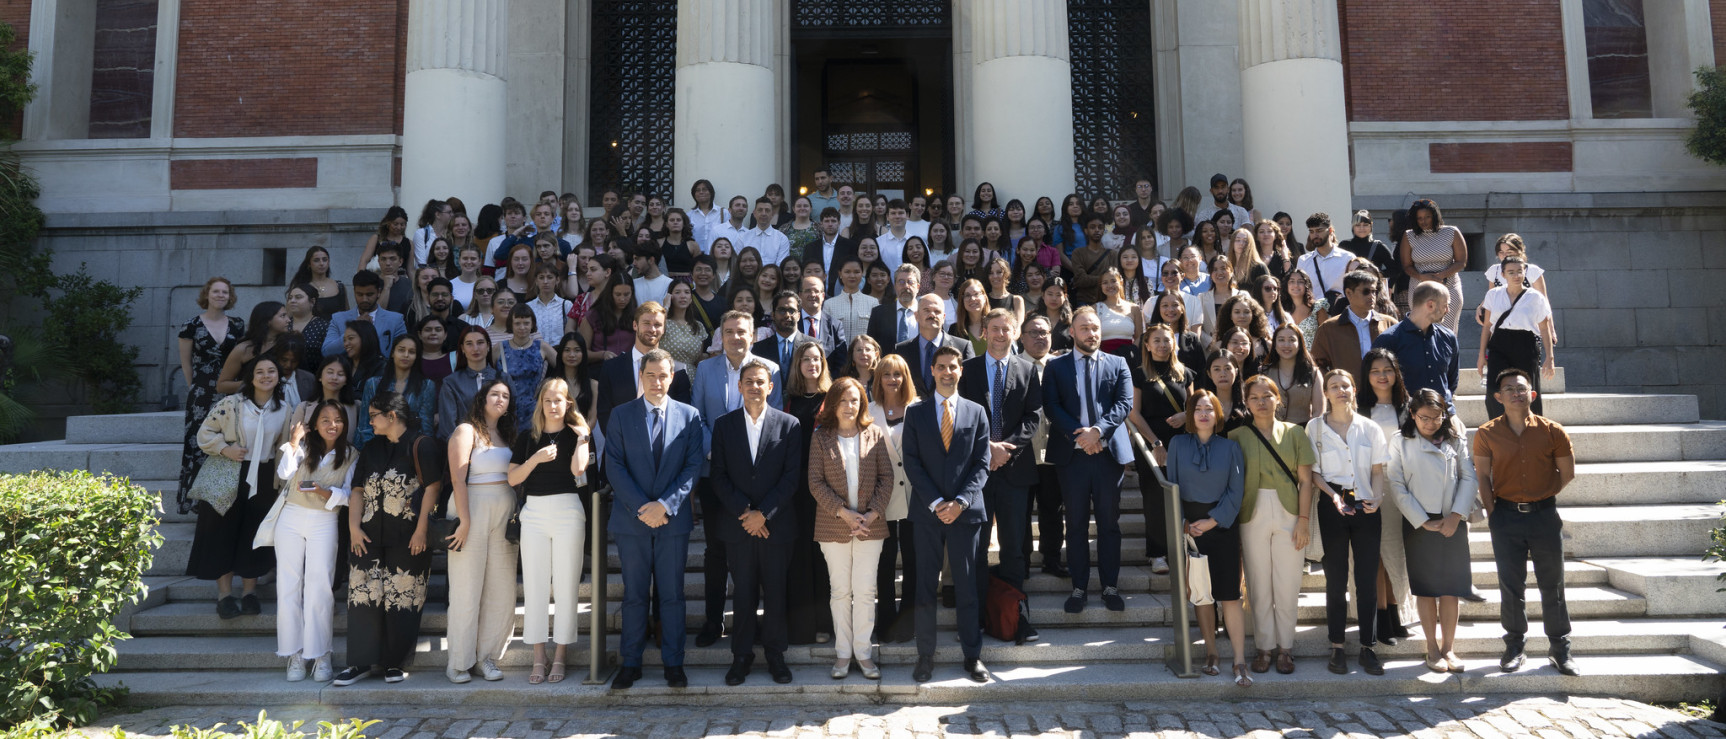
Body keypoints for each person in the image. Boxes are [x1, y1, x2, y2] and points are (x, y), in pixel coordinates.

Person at [604, 349, 706, 690]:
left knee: (673, 594)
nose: (657, 382)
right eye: (651, 376)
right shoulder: (620, 415)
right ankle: (629, 663)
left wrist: (664, 505)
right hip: (631, 521)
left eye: (664, 376)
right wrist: (642, 508)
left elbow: (693, 467)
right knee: (634, 595)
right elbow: (614, 466)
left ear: (672, 377)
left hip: (672, 520)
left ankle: (673, 663)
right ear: (641, 377)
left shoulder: (690, 416)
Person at [332, 391, 442, 686]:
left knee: (404, 598)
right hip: (366, 535)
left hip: (409, 536)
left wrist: (422, 530)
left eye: (374, 416)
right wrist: (354, 527)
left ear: (391, 416)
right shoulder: (370, 448)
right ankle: (360, 663)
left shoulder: (422, 445)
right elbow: (357, 490)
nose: (370, 422)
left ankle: (396, 662)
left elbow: (432, 488)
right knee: (362, 597)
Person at [1473, 369, 1578, 676]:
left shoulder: (1552, 431)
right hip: (1505, 517)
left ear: (1533, 394)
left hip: (1544, 517)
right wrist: (1494, 513)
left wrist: (1541, 496)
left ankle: (1560, 649)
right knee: (1511, 585)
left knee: (1553, 585)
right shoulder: (1487, 433)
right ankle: (1514, 646)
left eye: (1521, 388)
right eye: (1509, 389)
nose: (1516, 393)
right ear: (1498, 397)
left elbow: (1567, 474)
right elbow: (1482, 476)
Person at [708, 355, 803, 685]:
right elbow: (718, 476)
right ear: (739, 386)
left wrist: (764, 514)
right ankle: (742, 656)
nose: (754, 387)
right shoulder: (724, 425)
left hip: (776, 526)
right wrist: (745, 513)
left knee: (776, 592)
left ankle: (775, 654)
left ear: (770, 386)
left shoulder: (789, 425)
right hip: (738, 526)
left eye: (760, 381)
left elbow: (792, 477)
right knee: (744, 593)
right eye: (748, 382)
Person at [901, 345, 992, 684]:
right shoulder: (917, 413)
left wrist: (960, 503)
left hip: (966, 515)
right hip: (927, 514)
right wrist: (937, 501)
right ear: (933, 371)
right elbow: (912, 461)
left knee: (967, 586)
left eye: (953, 366)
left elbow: (982, 464)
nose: (948, 372)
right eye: (941, 367)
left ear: (960, 370)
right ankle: (925, 656)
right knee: (925, 587)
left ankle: (972, 656)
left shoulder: (976, 412)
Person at [691, 311, 781, 647]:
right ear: (721, 336)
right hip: (717, 476)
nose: (735, 337)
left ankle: (755, 625)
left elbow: (777, 420)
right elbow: (697, 418)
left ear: (753, 335)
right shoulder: (705, 369)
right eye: (728, 331)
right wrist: (715, 453)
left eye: (741, 332)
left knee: (758, 553)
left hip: (759, 480)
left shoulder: (769, 370)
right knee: (716, 551)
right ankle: (713, 622)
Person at [958, 308, 1044, 643]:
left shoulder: (1026, 370)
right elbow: (962, 416)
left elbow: (1033, 417)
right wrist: (987, 450)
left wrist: (1005, 448)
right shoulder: (968, 371)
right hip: (977, 474)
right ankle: (979, 617)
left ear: (1014, 332)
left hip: (1015, 470)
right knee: (977, 549)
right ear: (983, 332)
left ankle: (1015, 616)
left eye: (1005, 329)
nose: (999, 334)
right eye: (993, 329)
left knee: (1013, 549)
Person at [1043, 307, 1134, 614]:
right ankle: (1079, 588)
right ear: (1072, 332)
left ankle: (1110, 587)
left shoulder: (1118, 363)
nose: (1091, 333)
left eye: (1095, 328)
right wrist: (1080, 435)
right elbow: (1052, 407)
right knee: (1077, 524)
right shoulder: (1055, 367)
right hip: (1073, 457)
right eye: (1084, 328)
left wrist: (1097, 431)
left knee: (1109, 524)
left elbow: (1124, 404)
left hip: (1108, 456)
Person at [192, 355, 294, 618]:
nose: (265, 376)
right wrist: (226, 449)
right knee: (222, 531)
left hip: (263, 475)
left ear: (278, 377)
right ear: (250, 377)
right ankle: (224, 596)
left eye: (271, 371)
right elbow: (204, 434)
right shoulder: (232, 404)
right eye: (259, 371)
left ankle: (250, 592)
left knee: (256, 533)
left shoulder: (284, 409)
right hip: (229, 471)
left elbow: (283, 447)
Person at [807, 377, 895, 679]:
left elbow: (887, 477)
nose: (849, 406)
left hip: (871, 526)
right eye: (843, 400)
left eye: (854, 400)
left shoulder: (875, 434)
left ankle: (864, 653)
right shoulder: (821, 437)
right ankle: (843, 654)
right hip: (834, 526)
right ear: (833, 403)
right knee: (841, 591)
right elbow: (815, 482)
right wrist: (843, 513)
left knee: (866, 589)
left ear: (862, 404)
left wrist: (871, 514)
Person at [1228, 374, 1316, 676]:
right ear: (1247, 402)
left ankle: (1285, 648)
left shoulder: (1295, 433)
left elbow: (1306, 481)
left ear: (1278, 399)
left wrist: (1304, 520)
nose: (1262, 402)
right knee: (1257, 581)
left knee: (1288, 582)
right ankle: (1264, 647)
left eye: (1267, 396)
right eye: (1254, 397)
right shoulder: (1237, 436)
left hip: (1290, 511)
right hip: (1251, 512)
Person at [506, 377, 591, 685]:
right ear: (540, 403)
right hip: (534, 513)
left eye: (559, 400)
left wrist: (583, 438)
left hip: (568, 509)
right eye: (548, 400)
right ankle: (539, 656)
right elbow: (513, 478)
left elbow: (578, 471)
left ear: (568, 403)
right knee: (535, 585)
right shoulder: (529, 437)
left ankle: (560, 655)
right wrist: (536, 458)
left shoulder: (575, 434)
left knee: (567, 585)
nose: (553, 405)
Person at [1306, 369, 1390, 676]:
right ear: (1325, 393)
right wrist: (1333, 496)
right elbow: (1314, 473)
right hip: (1334, 507)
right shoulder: (1315, 429)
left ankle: (1368, 647)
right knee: (1336, 579)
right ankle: (1337, 646)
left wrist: (1378, 497)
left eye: (1345, 385)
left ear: (1354, 389)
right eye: (1333, 386)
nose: (1341, 390)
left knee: (1367, 580)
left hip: (1367, 507)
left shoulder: (1370, 428)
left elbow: (1378, 469)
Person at [262, 399, 353, 683]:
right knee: (288, 586)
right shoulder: (302, 447)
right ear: (314, 424)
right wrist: (292, 441)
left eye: (337, 420)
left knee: (320, 588)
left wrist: (326, 493)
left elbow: (350, 495)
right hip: (291, 516)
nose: (332, 425)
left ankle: (322, 653)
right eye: (325, 420)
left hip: (325, 520)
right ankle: (294, 654)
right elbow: (284, 474)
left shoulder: (350, 454)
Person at [1164, 389, 1251, 685]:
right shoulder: (1176, 444)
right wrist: (1185, 523)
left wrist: (1213, 521)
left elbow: (1236, 491)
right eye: (1198, 409)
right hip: (1191, 530)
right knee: (1201, 595)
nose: (1204, 414)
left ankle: (1239, 659)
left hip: (1222, 526)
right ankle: (1211, 653)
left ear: (1217, 415)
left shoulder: (1230, 448)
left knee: (1230, 594)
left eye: (1209, 409)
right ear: (1191, 415)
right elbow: (1171, 486)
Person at [1390, 388, 1478, 674]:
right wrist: (1422, 520)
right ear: (1412, 415)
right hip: (1419, 523)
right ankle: (1431, 646)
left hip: (1452, 519)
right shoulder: (1400, 441)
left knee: (1451, 589)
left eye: (1436, 417)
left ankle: (1449, 647)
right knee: (1426, 590)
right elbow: (1397, 485)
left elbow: (1469, 477)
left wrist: (1455, 515)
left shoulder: (1455, 439)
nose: (1430, 423)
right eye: (1423, 417)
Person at [443, 380, 519, 684]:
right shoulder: (466, 430)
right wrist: (464, 520)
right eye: (495, 394)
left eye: (506, 396)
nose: (500, 399)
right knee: (466, 588)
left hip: (504, 511)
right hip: (470, 508)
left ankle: (487, 657)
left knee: (501, 589)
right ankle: (458, 661)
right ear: (482, 398)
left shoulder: (506, 434)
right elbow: (458, 479)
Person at [781, 341, 836, 645]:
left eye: (817, 359)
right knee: (800, 556)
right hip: (797, 489)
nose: (812, 364)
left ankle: (824, 623)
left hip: (827, 488)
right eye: (806, 359)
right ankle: (801, 626)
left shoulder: (834, 398)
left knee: (824, 557)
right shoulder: (789, 401)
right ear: (798, 365)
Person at [1129, 323, 1194, 575]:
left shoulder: (1185, 373)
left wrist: (1183, 416)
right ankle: (1157, 553)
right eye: (1156, 340)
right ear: (1146, 345)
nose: (1162, 345)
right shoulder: (1139, 373)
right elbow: (1134, 413)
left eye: (1166, 340)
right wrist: (1155, 443)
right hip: (1151, 443)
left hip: (1182, 442)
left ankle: (1182, 547)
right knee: (1155, 498)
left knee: (1184, 496)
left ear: (1174, 343)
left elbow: (1196, 406)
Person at [179, 278, 247, 516]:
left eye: (225, 292)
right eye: (216, 291)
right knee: (199, 445)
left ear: (230, 296)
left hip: (231, 390)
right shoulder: (191, 325)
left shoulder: (238, 325)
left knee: (228, 442)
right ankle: (197, 504)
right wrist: (193, 389)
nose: (220, 295)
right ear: (207, 294)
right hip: (201, 393)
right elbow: (186, 364)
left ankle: (223, 501)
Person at [868, 354, 920, 643]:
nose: (892, 379)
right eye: (886, 374)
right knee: (884, 561)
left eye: (898, 374)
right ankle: (885, 621)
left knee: (913, 560)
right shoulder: (869, 410)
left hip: (915, 496)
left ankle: (908, 622)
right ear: (879, 379)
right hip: (881, 498)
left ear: (905, 377)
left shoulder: (919, 408)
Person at [1017, 316, 1067, 580]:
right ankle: (1021, 561)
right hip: (1022, 453)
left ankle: (1052, 559)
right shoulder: (1012, 365)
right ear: (1022, 337)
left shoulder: (1061, 366)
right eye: (1033, 332)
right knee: (1020, 514)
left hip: (1054, 451)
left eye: (1044, 332)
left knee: (1052, 510)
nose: (1039, 337)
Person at [1477, 257, 1556, 419]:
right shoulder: (1493, 294)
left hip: (1526, 343)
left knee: (1527, 389)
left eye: (1520, 271)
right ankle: (1498, 428)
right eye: (1511, 272)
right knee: (1494, 389)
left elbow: (1544, 327)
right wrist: (1481, 355)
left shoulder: (1535, 297)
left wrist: (1550, 357)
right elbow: (1487, 326)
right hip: (1499, 343)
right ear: (1503, 274)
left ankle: (1532, 428)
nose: (1516, 275)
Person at [1372, 280, 1459, 414]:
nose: (1447, 310)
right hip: (1405, 420)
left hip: (1443, 417)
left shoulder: (1449, 338)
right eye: (1445, 305)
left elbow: (1451, 381)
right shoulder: (1388, 340)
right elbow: (1378, 382)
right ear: (1430, 305)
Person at [1398, 199, 1467, 333]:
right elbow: (1406, 266)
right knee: (1420, 329)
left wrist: (1440, 276)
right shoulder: (1409, 236)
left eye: (1427, 217)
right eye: (1420, 218)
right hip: (1420, 288)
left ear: (1435, 216)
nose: (1424, 221)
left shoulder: (1451, 232)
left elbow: (1461, 262)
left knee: (1447, 331)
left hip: (1449, 286)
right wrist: (1421, 276)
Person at [1311, 271, 1395, 380]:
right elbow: (1316, 364)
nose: (1372, 296)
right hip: (1347, 394)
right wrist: (1335, 385)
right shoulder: (1328, 328)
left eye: (1374, 291)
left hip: (1385, 392)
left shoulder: (1390, 324)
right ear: (1349, 293)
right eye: (1366, 291)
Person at [894, 293, 977, 397]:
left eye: (937, 311)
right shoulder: (901, 350)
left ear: (943, 317)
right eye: (926, 310)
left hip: (950, 411)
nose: (932, 315)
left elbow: (973, 387)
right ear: (916, 316)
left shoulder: (963, 347)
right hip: (913, 411)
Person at [322, 271, 408, 362]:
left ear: (378, 292)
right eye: (360, 294)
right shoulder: (338, 319)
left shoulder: (396, 320)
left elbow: (403, 353)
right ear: (354, 292)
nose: (364, 299)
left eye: (369, 294)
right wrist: (354, 330)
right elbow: (327, 351)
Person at [435, 326, 499, 442]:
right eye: (469, 344)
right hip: (463, 448)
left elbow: (511, 418)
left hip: (498, 447)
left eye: (480, 343)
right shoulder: (451, 382)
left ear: (488, 346)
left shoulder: (503, 379)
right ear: (462, 349)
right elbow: (448, 427)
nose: (475, 348)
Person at [1296, 213, 1355, 308]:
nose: (1315, 235)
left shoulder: (1347, 258)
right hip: (1313, 315)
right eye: (1311, 231)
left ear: (1330, 230)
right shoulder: (1303, 260)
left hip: (1340, 314)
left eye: (1319, 230)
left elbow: (1355, 289)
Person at [866, 264, 923, 354]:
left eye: (910, 282)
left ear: (918, 287)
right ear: (895, 286)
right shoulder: (879, 313)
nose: (906, 286)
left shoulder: (927, 313)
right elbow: (871, 346)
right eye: (901, 282)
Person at [798, 275, 850, 370]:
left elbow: (841, 361)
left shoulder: (835, 325)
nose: (812, 295)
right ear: (800, 295)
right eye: (808, 291)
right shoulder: (793, 323)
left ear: (823, 296)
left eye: (816, 291)